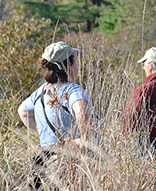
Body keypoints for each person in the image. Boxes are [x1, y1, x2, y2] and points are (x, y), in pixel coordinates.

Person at [18, 41, 100, 189]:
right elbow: (80, 110)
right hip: (68, 160)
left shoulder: (41, 92)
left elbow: (23, 111)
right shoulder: (73, 89)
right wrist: (84, 139)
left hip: (44, 157)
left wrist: (43, 137)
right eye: (75, 60)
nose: (77, 64)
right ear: (69, 65)